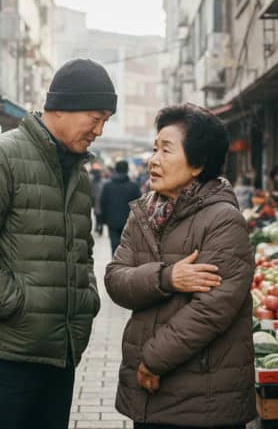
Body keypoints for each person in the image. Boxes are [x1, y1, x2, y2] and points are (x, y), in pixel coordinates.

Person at [0, 58, 113, 429]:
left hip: (59, 353)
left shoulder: (78, 175)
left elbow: (81, 251)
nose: (99, 130)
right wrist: (14, 304)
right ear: (65, 106)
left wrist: (86, 301)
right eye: (96, 118)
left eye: (105, 121)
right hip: (4, 354)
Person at [105, 103, 257, 429]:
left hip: (204, 395)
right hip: (149, 394)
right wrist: (167, 277)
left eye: (166, 150)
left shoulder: (223, 220)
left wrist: (153, 361)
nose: (153, 160)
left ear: (198, 163)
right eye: (154, 148)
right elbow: (116, 280)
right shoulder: (143, 214)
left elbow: (213, 308)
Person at [100, 160, 142, 254]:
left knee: (114, 247)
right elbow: (139, 204)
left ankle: (115, 265)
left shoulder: (108, 186)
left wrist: (103, 219)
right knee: (128, 248)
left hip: (112, 222)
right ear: (127, 170)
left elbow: (103, 203)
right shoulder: (133, 186)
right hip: (129, 222)